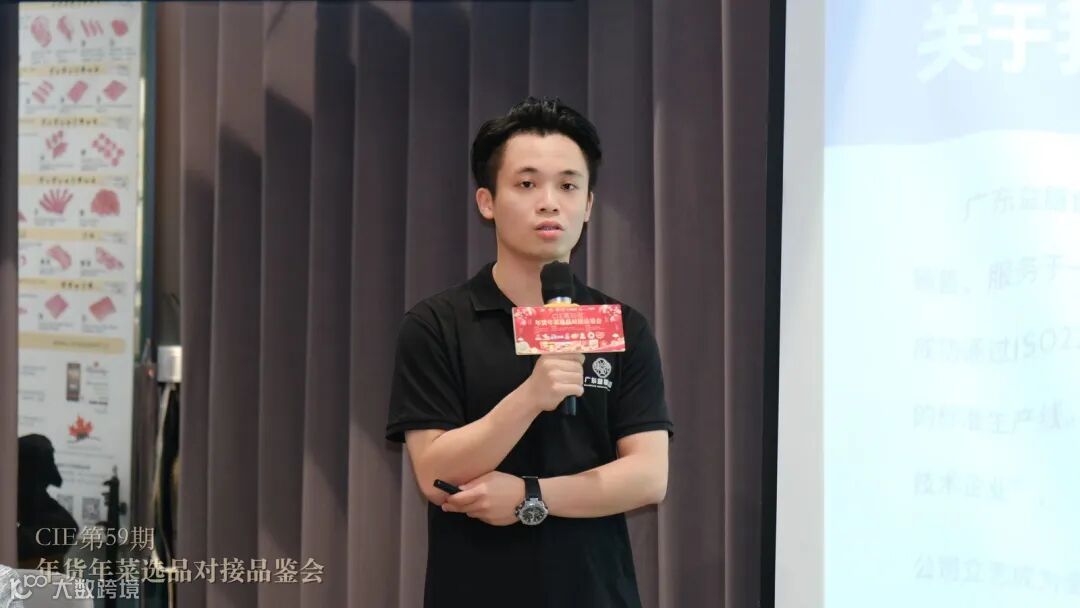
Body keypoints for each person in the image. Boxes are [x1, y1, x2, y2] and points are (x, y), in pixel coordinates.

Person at [386, 97, 673, 608]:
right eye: (526, 184)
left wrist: (529, 497)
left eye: (568, 186)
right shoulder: (436, 324)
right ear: (487, 201)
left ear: (588, 206)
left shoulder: (621, 324)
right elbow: (435, 473)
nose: (549, 203)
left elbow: (648, 477)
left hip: (596, 593)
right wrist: (531, 396)